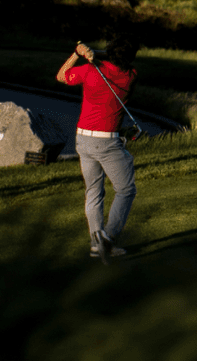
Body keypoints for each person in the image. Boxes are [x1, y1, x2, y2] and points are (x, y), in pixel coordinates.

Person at [57, 37, 138, 260]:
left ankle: (97, 243)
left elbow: (61, 75)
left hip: (83, 138)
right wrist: (95, 54)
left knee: (93, 192)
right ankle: (108, 237)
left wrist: (78, 53)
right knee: (126, 189)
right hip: (107, 142)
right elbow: (118, 58)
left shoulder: (90, 70)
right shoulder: (130, 76)